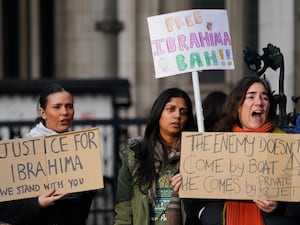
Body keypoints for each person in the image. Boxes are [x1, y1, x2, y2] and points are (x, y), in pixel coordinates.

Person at [172, 76, 300, 225]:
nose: (259, 102)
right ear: (237, 105)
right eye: (251, 96)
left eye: (264, 97)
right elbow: (194, 207)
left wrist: (279, 206)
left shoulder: (287, 147)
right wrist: (185, 185)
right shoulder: (215, 146)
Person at [0, 83, 96, 225]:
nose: (64, 112)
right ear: (43, 112)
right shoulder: (21, 153)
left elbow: (82, 210)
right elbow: (5, 208)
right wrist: (37, 204)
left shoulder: (82, 151)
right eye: (57, 107)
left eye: (69, 106)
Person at [114, 87, 196, 225]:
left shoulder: (195, 158)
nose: (177, 115)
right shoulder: (135, 157)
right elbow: (123, 209)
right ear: (158, 113)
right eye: (171, 109)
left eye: (183, 112)